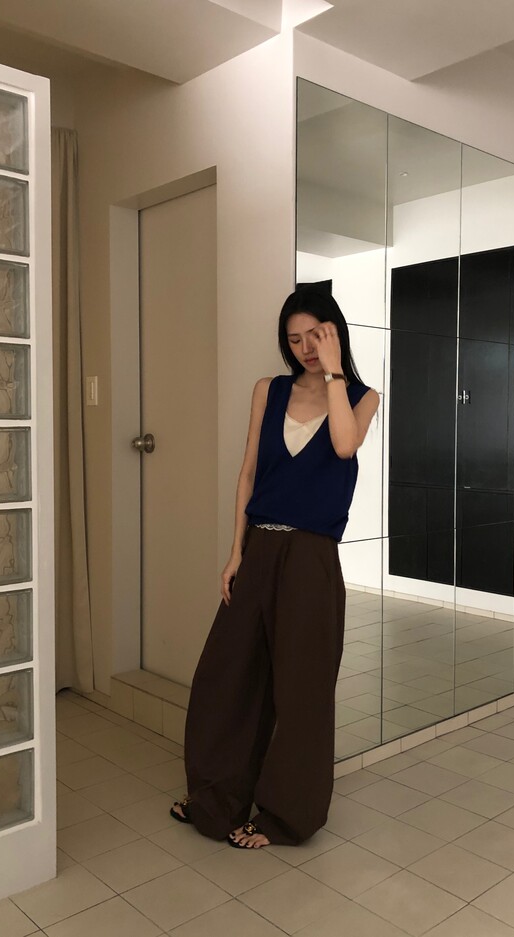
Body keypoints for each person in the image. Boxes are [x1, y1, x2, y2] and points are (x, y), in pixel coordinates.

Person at [169, 287, 380, 848]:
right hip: (260, 547)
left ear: (334, 333)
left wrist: (334, 372)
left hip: (312, 558)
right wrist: (236, 551)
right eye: (295, 339)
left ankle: (286, 815)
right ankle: (215, 797)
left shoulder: (362, 398)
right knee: (227, 676)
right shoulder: (269, 389)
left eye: (316, 335)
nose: (306, 347)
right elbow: (247, 473)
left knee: (303, 687)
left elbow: (343, 446)